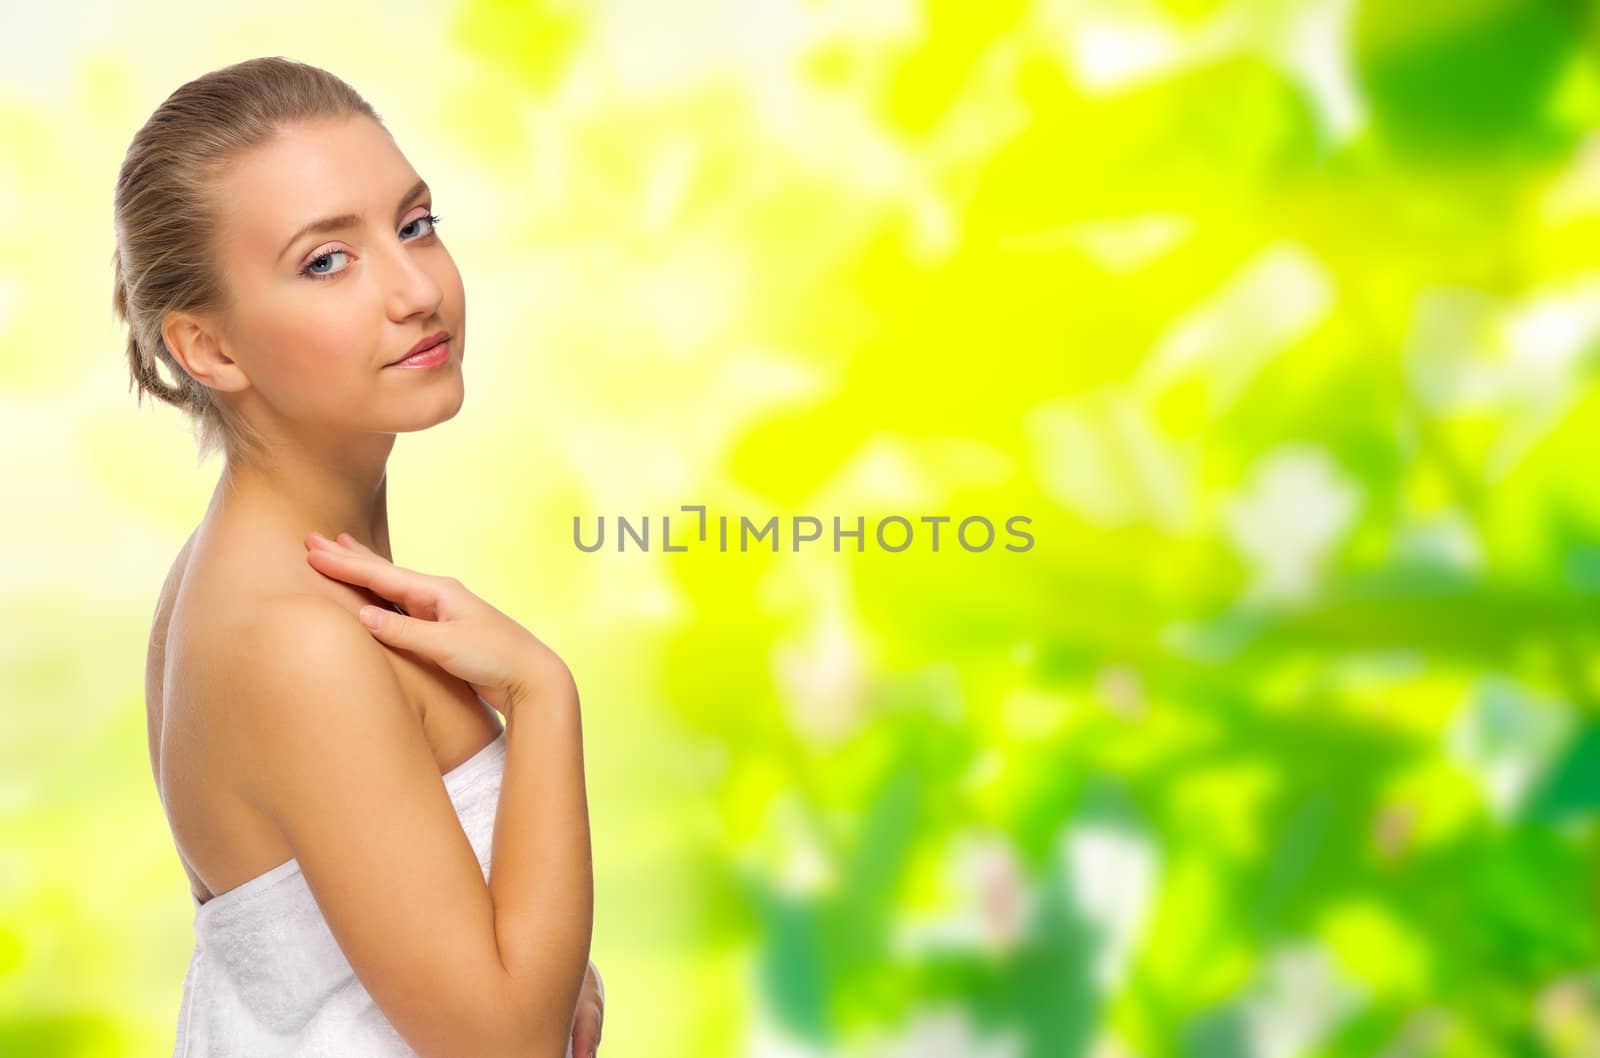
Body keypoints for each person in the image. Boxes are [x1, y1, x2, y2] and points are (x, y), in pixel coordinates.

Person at [115, 56, 605, 1058]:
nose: (416, 288)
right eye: (325, 261)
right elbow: (506, 1043)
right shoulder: (297, 642)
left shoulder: (237, 575)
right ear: (208, 350)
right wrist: (545, 694)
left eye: (414, 225)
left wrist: (535, 948)